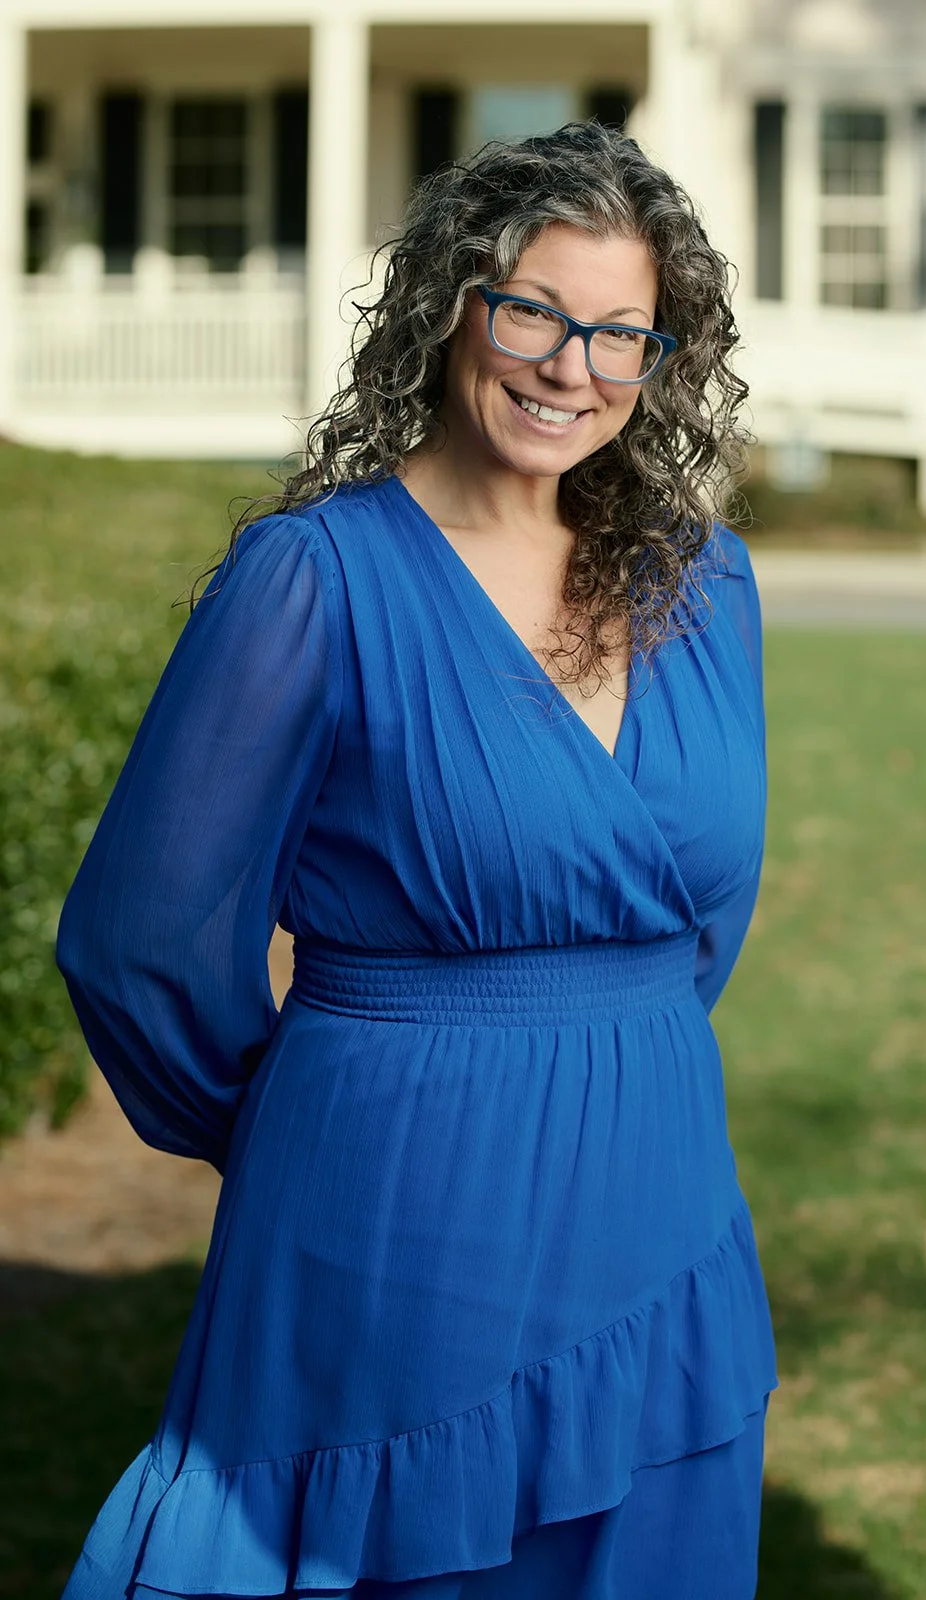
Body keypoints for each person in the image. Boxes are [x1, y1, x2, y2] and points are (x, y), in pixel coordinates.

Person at [55, 121, 776, 1600]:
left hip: (662, 1201)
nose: (569, 367)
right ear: (450, 303)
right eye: (534, 312)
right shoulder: (312, 580)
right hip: (389, 1207)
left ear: (660, 361)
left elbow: (700, 915)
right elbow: (140, 939)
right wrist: (300, 1129)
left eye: (619, 334)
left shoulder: (707, 583)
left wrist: (600, 1057)